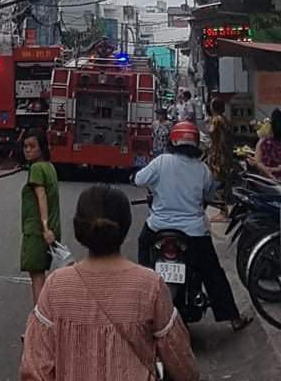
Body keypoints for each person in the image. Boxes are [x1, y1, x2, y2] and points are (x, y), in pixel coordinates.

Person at [21, 184, 199, 381]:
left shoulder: (56, 285)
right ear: (126, 225)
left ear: (78, 227)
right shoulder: (150, 285)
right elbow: (182, 364)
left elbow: (34, 369)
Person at [135, 120, 252, 332]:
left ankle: (141, 307)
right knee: (212, 272)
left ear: (173, 141)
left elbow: (139, 179)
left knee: (143, 255)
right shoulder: (202, 170)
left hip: (158, 228)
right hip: (194, 232)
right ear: (196, 144)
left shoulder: (161, 162)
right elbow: (207, 195)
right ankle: (233, 318)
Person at [20, 129, 61, 307]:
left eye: (32, 146)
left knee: (37, 276)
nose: (28, 150)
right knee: (39, 275)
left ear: (41, 148)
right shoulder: (49, 167)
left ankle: (39, 324)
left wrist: (45, 228)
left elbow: (41, 197)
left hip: (38, 231)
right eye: (25, 146)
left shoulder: (36, 169)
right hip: (50, 229)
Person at [207, 97, 234, 221]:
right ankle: (224, 210)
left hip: (218, 156)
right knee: (224, 182)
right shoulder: (226, 119)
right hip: (226, 155)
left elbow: (211, 132)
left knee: (219, 183)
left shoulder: (216, 120)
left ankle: (223, 212)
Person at [253, 107, 281, 180]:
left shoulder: (262, 142)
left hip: (267, 181)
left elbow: (257, 162)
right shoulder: (263, 142)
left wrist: (267, 170)